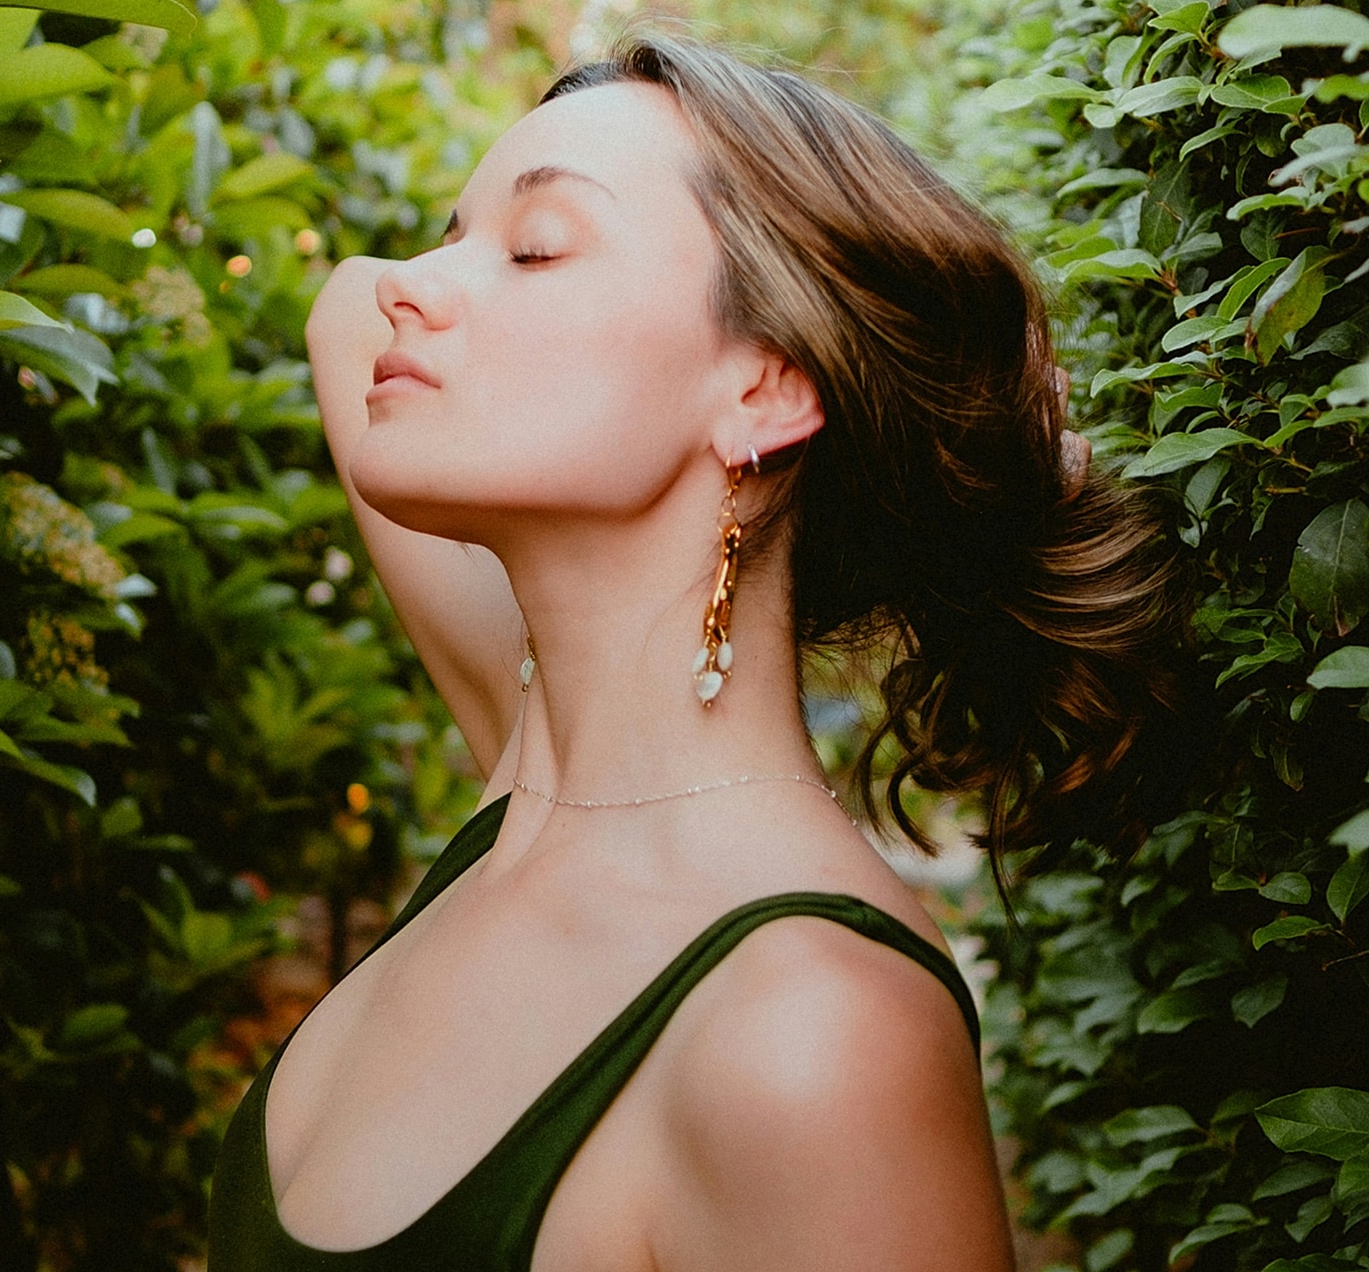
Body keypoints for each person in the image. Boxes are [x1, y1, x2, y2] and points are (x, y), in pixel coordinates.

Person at [208, 31, 1189, 1272]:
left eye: (537, 247)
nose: (416, 279)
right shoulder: (533, 778)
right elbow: (350, 302)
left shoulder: (810, 1034)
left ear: (767, 388)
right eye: (449, 231)